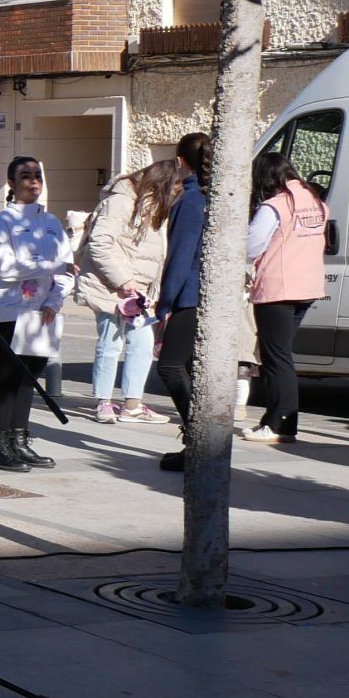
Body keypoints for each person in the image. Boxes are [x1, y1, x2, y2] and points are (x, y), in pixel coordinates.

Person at [0, 155, 72, 472]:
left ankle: (19, 441)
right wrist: (52, 266)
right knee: (10, 376)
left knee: (29, 379)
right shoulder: (3, 222)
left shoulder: (51, 222)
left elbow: (67, 270)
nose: (33, 181)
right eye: (25, 175)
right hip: (11, 310)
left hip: (42, 312)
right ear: (11, 183)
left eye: (37, 175)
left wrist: (54, 301)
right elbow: (5, 269)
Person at [75, 162, 176, 424]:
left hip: (137, 291)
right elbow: (100, 243)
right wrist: (124, 280)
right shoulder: (120, 201)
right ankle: (104, 401)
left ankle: (132, 404)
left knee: (142, 345)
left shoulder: (151, 206)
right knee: (111, 342)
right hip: (111, 286)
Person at [244, 148, 328, 445]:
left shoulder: (275, 206)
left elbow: (252, 245)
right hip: (307, 286)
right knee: (282, 355)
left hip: (277, 288)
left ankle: (280, 423)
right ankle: (276, 420)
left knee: (276, 358)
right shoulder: (314, 201)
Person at [154, 132, 211, 471]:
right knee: (187, 368)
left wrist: (164, 304)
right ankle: (196, 444)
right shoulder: (208, 198)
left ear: (179, 162)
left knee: (170, 366)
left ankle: (200, 438)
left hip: (190, 295)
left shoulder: (190, 201)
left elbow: (180, 257)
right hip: (204, 295)